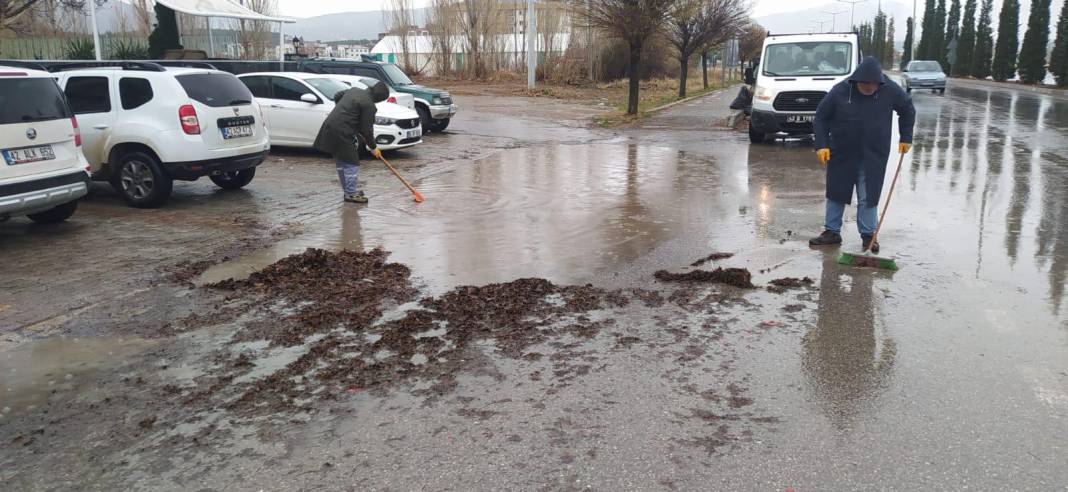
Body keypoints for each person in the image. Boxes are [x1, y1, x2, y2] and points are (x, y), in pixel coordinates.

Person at [809, 56, 916, 253]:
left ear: (879, 82)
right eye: (865, 84)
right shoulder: (840, 90)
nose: (869, 88)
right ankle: (832, 232)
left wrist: (906, 137)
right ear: (856, 80)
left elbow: (907, 109)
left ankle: (868, 236)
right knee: (836, 192)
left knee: (868, 196)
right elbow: (821, 117)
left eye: (873, 85)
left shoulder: (890, 90)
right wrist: (821, 145)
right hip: (841, 151)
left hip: (874, 154)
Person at [313, 80, 390, 204]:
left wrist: (343, 111)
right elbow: (366, 130)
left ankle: (349, 191)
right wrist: (373, 147)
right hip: (342, 132)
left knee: (342, 161)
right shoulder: (369, 105)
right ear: (379, 98)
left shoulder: (354, 90)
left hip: (330, 126)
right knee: (352, 163)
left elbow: (337, 95)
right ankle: (351, 194)